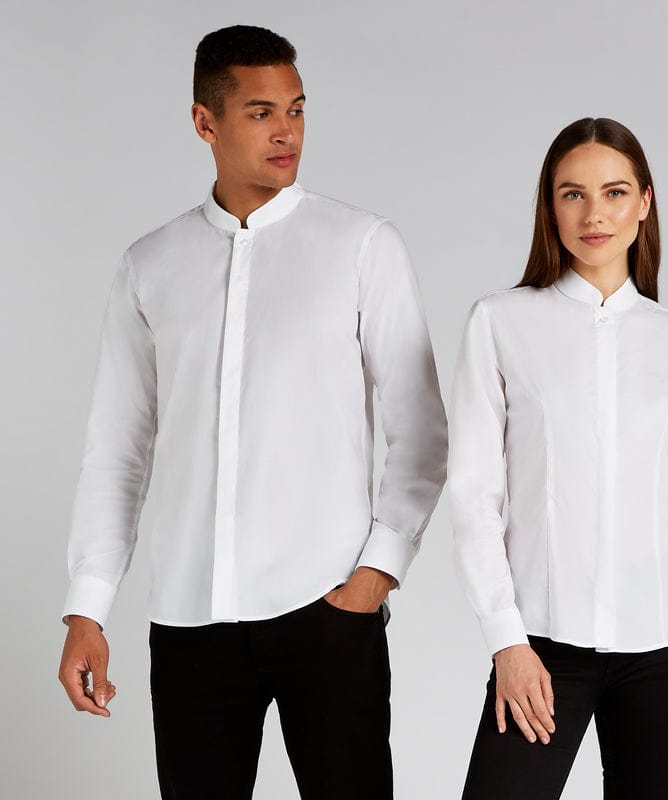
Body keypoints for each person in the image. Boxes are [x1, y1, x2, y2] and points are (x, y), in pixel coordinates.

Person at [57, 25, 447, 800]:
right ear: (205, 122)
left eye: (296, 110)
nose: (286, 132)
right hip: (189, 621)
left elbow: (421, 432)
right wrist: (86, 611)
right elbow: (118, 451)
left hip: (326, 609)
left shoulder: (361, 245)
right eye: (261, 112)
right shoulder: (150, 264)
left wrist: (377, 574)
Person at [448, 117, 668, 799]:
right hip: (542, 643)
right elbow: (473, 496)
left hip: (666, 648)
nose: (594, 214)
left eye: (614, 192)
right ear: (550, 208)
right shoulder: (500, 322)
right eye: (572, 194)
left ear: (644, 202)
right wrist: (507, 641)